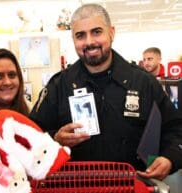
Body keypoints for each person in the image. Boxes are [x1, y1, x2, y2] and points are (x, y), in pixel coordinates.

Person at [30, 4, 182, 180]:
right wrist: (54, 139)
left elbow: (175, 128)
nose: (89, 42)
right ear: (73, 39)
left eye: (96, 32)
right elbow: (30, 136)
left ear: (112, 33)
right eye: (80, 35)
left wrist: (169, 158)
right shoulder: (58, 86)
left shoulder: (143, 83)